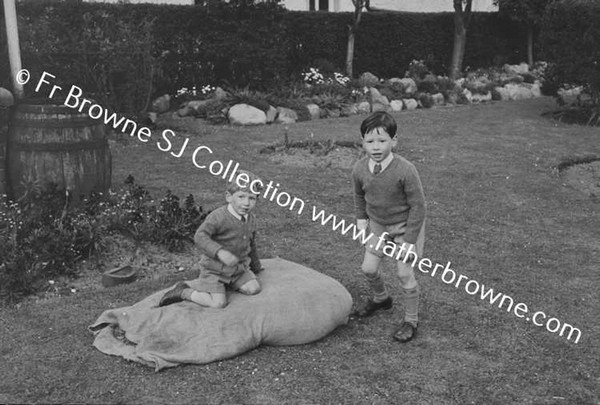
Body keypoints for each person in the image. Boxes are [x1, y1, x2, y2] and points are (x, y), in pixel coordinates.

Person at [351, 111, 426, 343]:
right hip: (378, 226)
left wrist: (410, 241)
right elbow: (358, 195)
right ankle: (381, 298)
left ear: (394, 141)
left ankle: (411, 320)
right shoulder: (359, 168)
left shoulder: (406, 169)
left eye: (382, 140)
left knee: (404, 273)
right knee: (368, 268)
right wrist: (361, 218)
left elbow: (419, 206)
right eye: (369, 141)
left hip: (406, 227)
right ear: (362, 141)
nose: (375, 146)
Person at [159, 170, 263, 308]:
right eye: (241, 196)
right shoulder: (218, 217)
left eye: (252, 198)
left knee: (254, 289)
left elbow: (251, 243)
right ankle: (183, 292)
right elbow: (200, 236)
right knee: (218, 303)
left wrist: (256, 266)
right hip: (215, 271)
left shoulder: (251, 219)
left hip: (238, 269)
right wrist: (220, 252)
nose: (246, 203)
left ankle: (229, 284)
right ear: (229, 197)